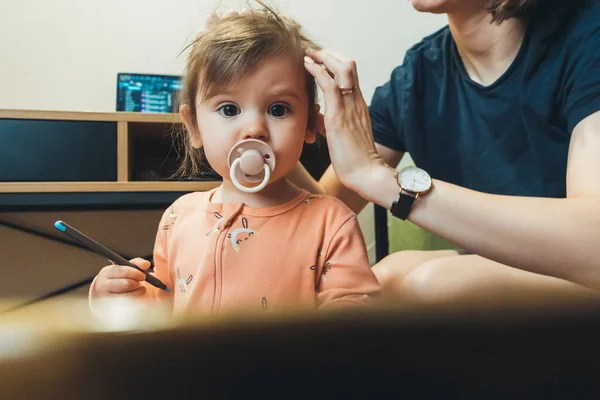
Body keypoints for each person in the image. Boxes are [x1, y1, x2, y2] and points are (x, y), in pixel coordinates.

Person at [297, 0, 600, 304]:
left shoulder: (587, 33)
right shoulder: (417, 76)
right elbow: (313, 222)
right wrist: (267, 133)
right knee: (379, 281)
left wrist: (385, 182)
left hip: (585, 275)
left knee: (431, 284)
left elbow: (593, 244)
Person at [88, 4, 380, 317]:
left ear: (310, 125)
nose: (254, 128)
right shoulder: (179, 217)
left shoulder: (331, 221)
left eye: (278, 109)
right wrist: (121, 297)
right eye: (229, 109)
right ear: (194, 128)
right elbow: (165, 307)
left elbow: (356, 319)